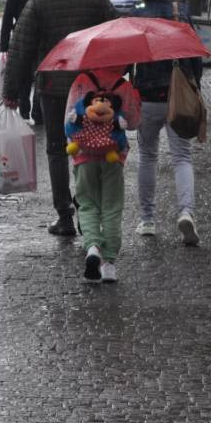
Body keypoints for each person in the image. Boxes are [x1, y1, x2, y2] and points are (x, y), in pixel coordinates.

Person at [2, 0, 118, 237]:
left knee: (56, 149)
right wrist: (117, 80)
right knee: (89, 148)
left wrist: (12, 90)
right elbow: (116, 42)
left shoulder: (39, 0)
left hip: (52, 87)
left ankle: (64, 216)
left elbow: (21, 47)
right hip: (90, 89)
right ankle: (88, 212)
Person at [130, 0, 203, 245]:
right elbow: (195, 54)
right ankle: (186, 213)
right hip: (177, 95)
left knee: (147, 157)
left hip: (147, 99)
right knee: (182, 157)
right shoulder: (179, 13)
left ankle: (147, 219)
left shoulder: (136, 17)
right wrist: (195, 83)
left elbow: (128, 59)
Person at [63, 69, 141, 282]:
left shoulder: (81, 81)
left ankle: (93, 248)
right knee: (112, 207)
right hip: (113, 157)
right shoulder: (123, 86)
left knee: (87, 205)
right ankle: (109, 265)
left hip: (83, 157)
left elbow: (67, 125)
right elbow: (133, 122)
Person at [0, 0, 47, 122]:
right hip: (42, 37)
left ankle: (24, 110)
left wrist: (4, 46)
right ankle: (37, 111)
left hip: (21, 37)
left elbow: (7, 19)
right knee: (40, 73)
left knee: (24, 74)